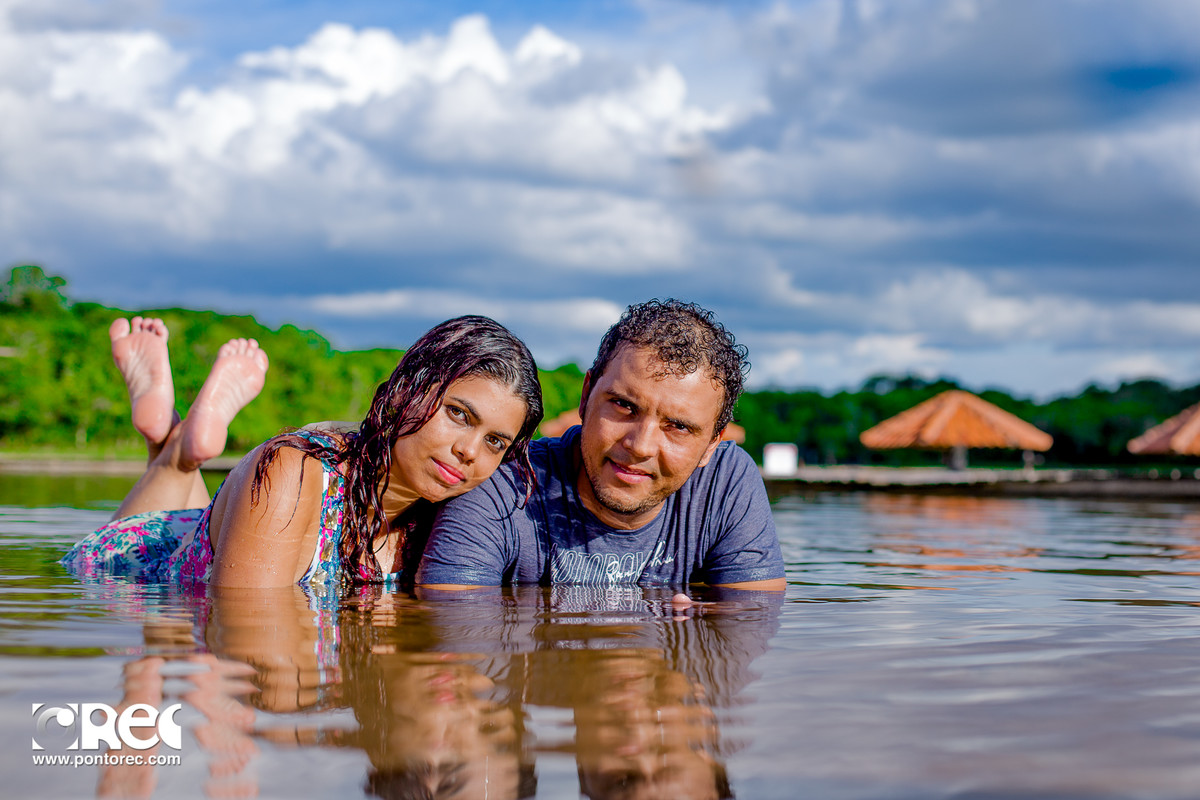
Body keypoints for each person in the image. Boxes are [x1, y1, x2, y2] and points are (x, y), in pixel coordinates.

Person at [62, 314, 543, 588]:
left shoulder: (453, 518)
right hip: (133, 568)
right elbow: (242, 631)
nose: (469, 452)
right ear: (406, 392)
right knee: (176, 468)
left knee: (199, 502)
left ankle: (176, 440)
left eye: (496, 442)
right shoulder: (293, 474)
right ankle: (180, 451)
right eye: (459, 414)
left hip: (209, 532)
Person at [416, 299, 785, 590]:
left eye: (678, 427)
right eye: (624, 406)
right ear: (586, 395)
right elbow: (450, 634)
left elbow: (751, 625)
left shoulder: (726, 484)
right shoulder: (504, 483)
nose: (640, 446)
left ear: (711, 445)